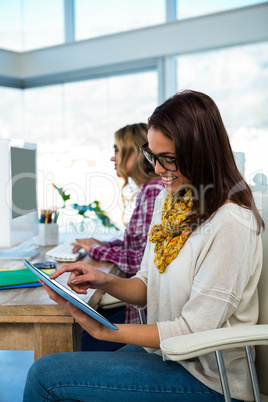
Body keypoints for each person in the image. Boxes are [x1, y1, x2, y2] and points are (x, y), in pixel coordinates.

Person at [23, 90, 264, 402]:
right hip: (165, 357)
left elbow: (194, 330)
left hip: (210, 379)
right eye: (153, 156)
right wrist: (104, 280)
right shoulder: (171, 200)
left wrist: (108, 332)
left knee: (45, 376)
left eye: (169, 159)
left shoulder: (231, 223)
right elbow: (147, 284)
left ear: (202, 153)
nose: (158, 169)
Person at [73, 123, 163, 350]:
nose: (113, 158)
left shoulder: (154, 191)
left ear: (137, 153)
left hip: (140, 321)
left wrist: (97, 250)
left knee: (76, 340)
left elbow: (142, 260)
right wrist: (101, 244)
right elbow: (136, 242)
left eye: (117, 150)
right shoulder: (148, 189)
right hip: (136, 311)